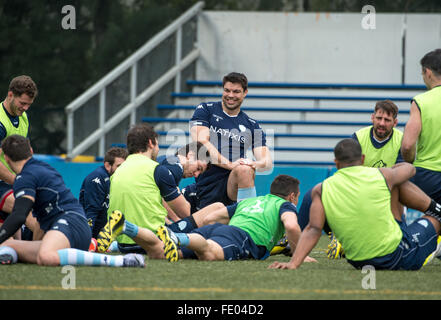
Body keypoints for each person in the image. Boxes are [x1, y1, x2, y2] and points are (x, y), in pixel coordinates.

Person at [269, 139, 441, 271]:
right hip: (396, 256)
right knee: (435, 218)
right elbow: (410, 169)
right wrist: (393, 169)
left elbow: (313, 229)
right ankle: (437, 211)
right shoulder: (382, 175)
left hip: (360, 262)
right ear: (363, 159)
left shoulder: (320, 189)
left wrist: (293, 263)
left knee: (395, 184)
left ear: (336, 163)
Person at [0, 135, 145, 268]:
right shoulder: (44, 167)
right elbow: (40, 222)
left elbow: (19, 215)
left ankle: (121, 261)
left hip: (69, 224)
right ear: (31, 151)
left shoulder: (24, 177)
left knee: (46, 256)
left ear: (6, 158)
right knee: (10, 245)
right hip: (75, 226)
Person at [97, 124, 212, 254]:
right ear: (151, 143)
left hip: (124, 243)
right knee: (214, 217)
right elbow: (184, 211)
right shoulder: (162, 168)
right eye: (198, 168)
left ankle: (115, 242)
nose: (196, 174)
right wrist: (177, 221)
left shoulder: (119, 170)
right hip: (151, 241)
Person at [157, 175, 316, 263]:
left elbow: (211, 218)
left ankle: (170, 238)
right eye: (297, 197)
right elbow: (292, 227)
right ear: (292, 196)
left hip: (216, 230)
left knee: (176, 254)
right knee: (209, 254)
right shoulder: (285, 205)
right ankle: (178, 237)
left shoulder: (250, 201)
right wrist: (299, 256)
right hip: (241, 237)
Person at [189, 72, 272, 210]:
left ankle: (248, 219)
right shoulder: (206, 110)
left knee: (245, 169)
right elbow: (202, 143)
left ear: (245, 93)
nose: (230, 95)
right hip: (207, 183)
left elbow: (267, 162)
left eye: (236, 91)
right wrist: (231, 165)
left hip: (232, 184)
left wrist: (253, 163)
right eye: (227, 90)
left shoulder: (252, 125)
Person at [402, 48, 441, 204]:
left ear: (428, 72)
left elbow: (407, 145)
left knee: (433, 217)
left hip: (428, 176)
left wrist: (409, 162)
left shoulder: (420, 101)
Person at [0, 76, 38, 226]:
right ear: (10, 95)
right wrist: (18, 182)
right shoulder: (1, 122)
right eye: (22, 103)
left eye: (29, 104)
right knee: (28, 212)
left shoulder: (23, 117)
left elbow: (26, 154)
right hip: (5, 182)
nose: (26, 108)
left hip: (12, 182)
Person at [79, 147, 128, 238]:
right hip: (95, 235)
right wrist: (87, 239)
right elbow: (91, 213)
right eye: (119, 166)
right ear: (107, 166)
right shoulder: (97, 179)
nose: (123, 170)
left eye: (125, 167)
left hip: (110, 235)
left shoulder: (121, 179)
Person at [353, 100, 403, 168]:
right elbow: (351, 170)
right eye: (379, 118)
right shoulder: (358, 138)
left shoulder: (402, 140)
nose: (382, 123)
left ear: (395, 123)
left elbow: (402, 173)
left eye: (387, 120)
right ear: (373, 118)